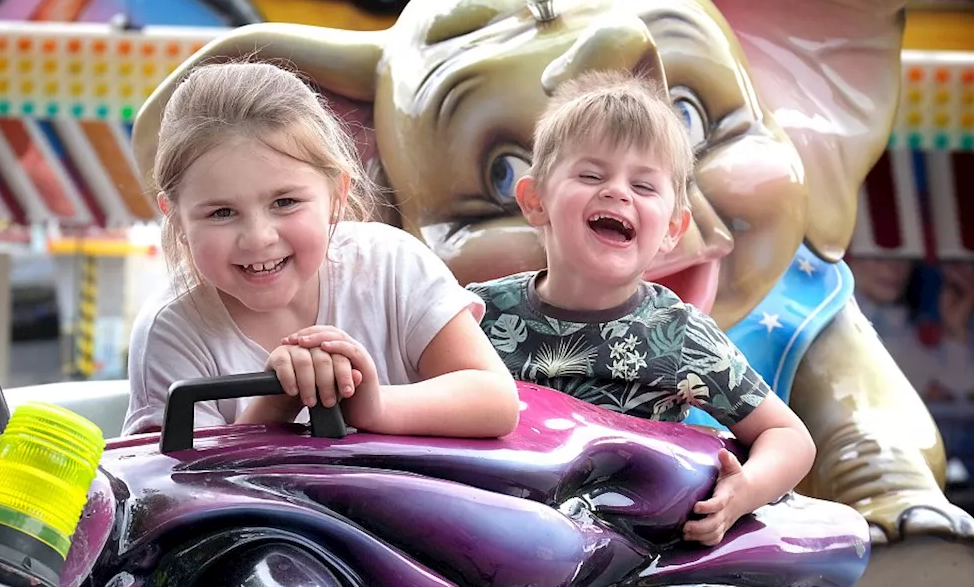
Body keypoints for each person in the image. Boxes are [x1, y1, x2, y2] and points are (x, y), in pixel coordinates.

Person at [466, 70, 816, 547]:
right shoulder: (478, 313)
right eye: (591, 175)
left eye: (645, 186)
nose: (618, 191)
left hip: (623, 551)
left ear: (673, 227)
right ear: (534, 200)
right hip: (489, 534)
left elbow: (787, 435)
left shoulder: (678, 335)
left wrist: (746, 490)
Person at [122, 61, 520, 439]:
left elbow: (496, 400)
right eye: (222, 212)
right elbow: (186, 488)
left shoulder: (391, 266)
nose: (258, 237)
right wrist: (275, 404)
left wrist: (375, 406)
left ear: (336, 195)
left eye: (285, 203)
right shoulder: (171, 330)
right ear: (176, 219)